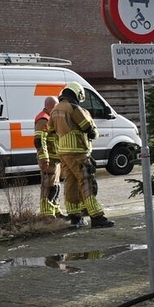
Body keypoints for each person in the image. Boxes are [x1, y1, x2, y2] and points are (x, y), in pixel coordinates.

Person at [50, 82, 113, 228]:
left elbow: (51, 129)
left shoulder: (55, 109)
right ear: (77, 94)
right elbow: (87, 127)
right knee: (87, 183)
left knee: (70, 184)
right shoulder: (74, 108)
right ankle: (97, 217)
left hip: (64, 153)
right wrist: (92, 131)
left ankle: (75, 218)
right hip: (79, 152)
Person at [34, 95, 61, 218]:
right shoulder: (43, 119)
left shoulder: (50, 118)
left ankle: (55, 211)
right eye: (56, 106)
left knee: (55, 187)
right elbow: (40, 140)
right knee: (48, 187)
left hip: (55, 158)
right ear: (49, 106)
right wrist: (44, 158)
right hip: (48, 159)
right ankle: (47, 215)